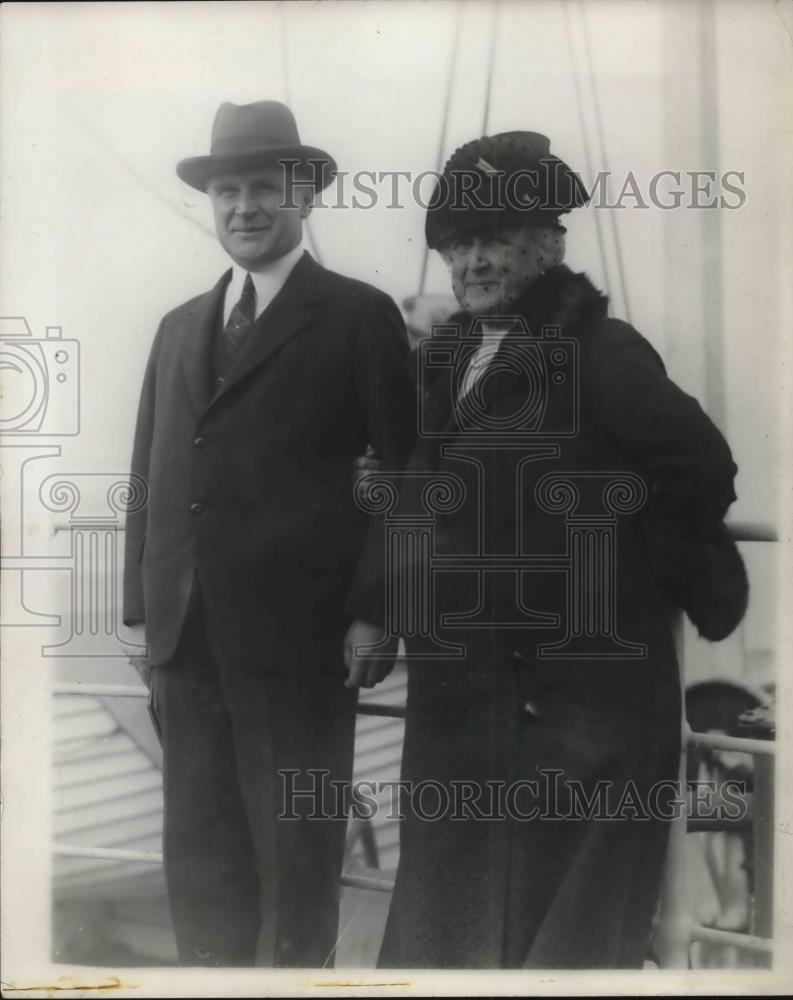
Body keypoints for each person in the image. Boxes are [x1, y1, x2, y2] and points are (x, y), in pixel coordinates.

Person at [346, 130, 748, 968]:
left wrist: (618, 575)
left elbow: (696, 465)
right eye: (459, 244)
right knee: (450, 937)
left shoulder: (599, 350)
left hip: (577, 711)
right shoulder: (446, 361)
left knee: (555, 946)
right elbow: (415, 497)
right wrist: (375, 610)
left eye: (495, 238)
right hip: (463, 708)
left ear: (548, 244)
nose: (474, 262)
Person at [122, 100, 415, 967]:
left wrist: (373, 611)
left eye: (264, 188)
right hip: (188, 641)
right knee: (201, 860)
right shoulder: (180, 326)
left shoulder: (359, 316)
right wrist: (144, 613)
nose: (243, 207)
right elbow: (150, 475)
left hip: (301, 644)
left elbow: (402, 476)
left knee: (294, 859)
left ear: (306, 195)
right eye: (227, 192)